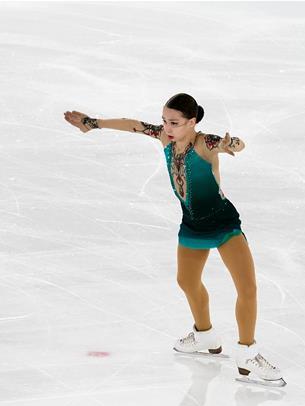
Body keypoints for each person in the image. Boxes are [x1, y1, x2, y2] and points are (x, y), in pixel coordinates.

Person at [63, 92, 284, 386]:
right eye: (165, 121)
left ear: (192, 122)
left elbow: (231, 144)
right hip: (192, 224)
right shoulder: (166, 139)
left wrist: (234, 144)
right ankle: (205, 335)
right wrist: (93, 123)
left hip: (224, 224)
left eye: (175, 122)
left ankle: (247, 353)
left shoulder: (204, 143)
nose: (167, 127)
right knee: (187, 281)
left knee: (247, 287)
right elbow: (134, 125)